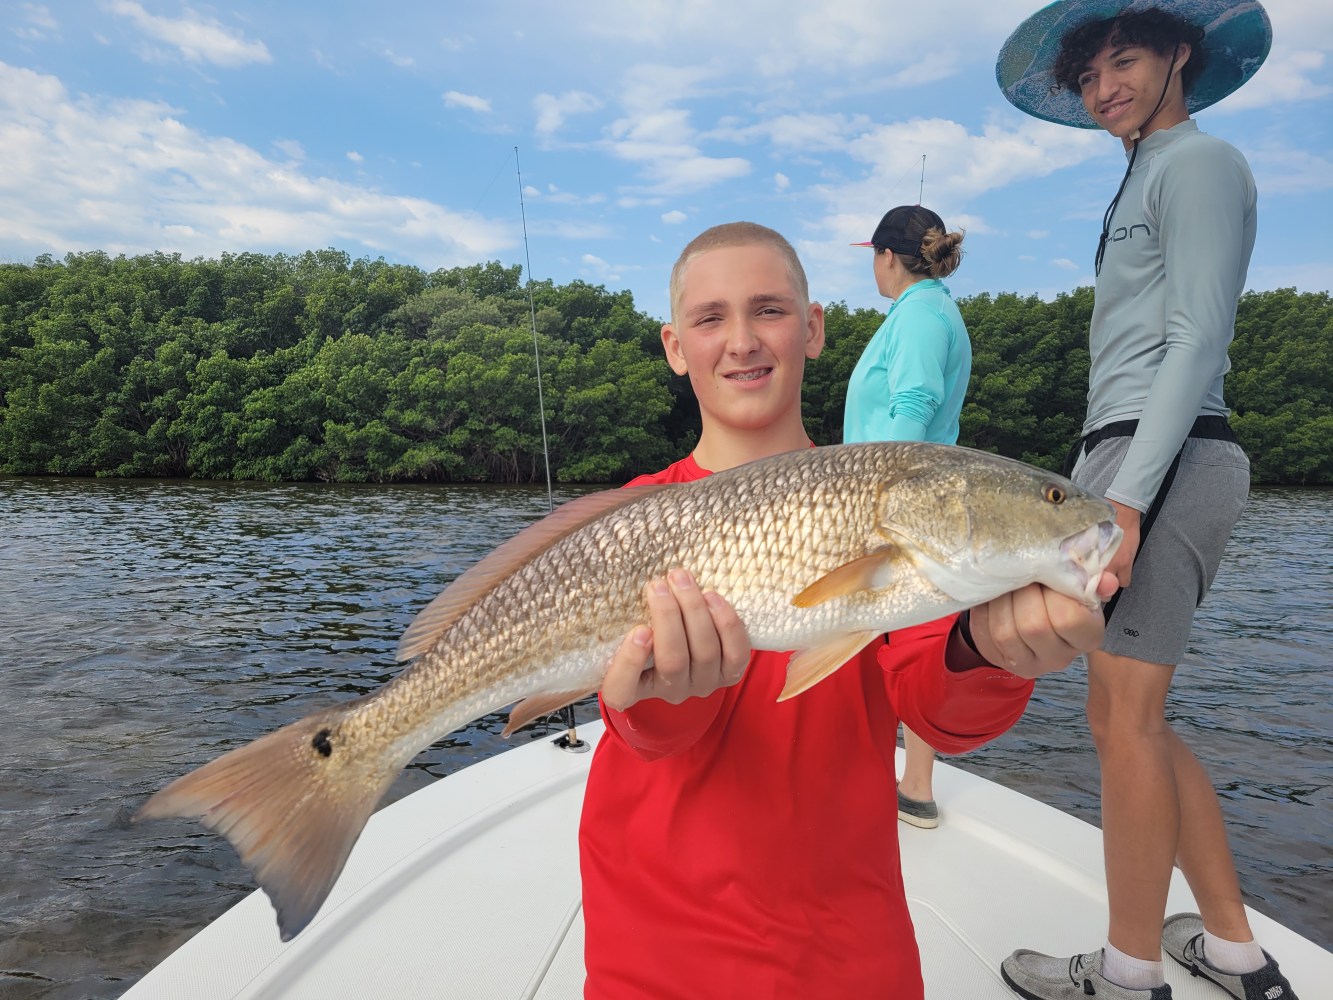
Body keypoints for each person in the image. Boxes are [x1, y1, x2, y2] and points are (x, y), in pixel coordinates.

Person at [577, 220, 1117, 999]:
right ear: (674, 346)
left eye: (768, 310)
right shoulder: (631, 517)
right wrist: (664, 700)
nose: (741, 341)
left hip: (842, 950)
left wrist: (986, 654)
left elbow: (940, 712)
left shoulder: (902, 519)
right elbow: (637, 729)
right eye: (709, 318)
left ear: (812, 327)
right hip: (652, 948)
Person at [994, 3, 1299, 999]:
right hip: (1128, 458)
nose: (1102, 89)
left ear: (1179, 55)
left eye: (1122, 61)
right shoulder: (1144, 173)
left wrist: (1123, 501)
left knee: (1120, 719)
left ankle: (1128, 972)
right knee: (1135, 718)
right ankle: (1235, 949)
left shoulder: (1198, 162)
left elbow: (1197, 337)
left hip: (1158, 460)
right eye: (1087, 77)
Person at [846, 203, 971, 830]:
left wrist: (876, 501)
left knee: (910, 637)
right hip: (899, 501)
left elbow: (915, 402)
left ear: (887, 257)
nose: (872, 267)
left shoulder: (920, 314)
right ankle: (891, 777)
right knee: (894, 634)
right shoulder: (926, 309)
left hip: (895, 506)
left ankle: (914, 787)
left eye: (872, 256)